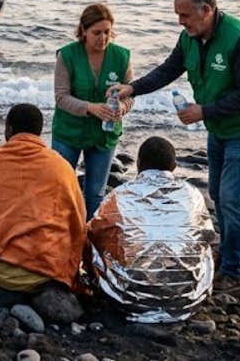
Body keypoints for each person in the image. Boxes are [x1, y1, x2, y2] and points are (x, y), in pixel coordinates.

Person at [110, 0, 240, 291]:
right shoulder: (190, 38)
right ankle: (228, 255)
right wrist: (133, 88)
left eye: (185, 15)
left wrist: (204, 111)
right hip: (220, 126)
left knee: (232, 197)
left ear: (207, 10)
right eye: (178, 15)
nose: (181, 22)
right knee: (217, 191)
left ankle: (234, 270)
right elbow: (168, 69)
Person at [0, 103, 87, 295]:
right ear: (39, 132)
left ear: (9, 129)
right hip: (49, 272)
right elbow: (78, 225)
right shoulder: (61, 166)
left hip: (0, 275)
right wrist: (72, 269)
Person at [88, 136, 215, 322]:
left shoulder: (121, 194)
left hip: (129, 299)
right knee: (203, 239)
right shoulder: (192, 194)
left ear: (139, 163)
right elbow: (207, 236)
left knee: (93, 235)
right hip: (186, 301)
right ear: (174, 166)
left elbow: (94, 232)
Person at [51, 3, 135, 218]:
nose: (103, 38)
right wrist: (90, 107)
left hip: (104, 134)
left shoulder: (122, 57)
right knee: (62, 192)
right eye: (97, 33)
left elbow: (130, 95)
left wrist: (122, 108)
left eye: (107, 32)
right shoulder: (67, 55)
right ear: (83, 31)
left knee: (95, 195)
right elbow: (61, 98)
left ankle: (90, 243)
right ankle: (61, 238)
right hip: (68, 133)